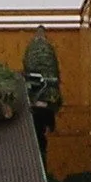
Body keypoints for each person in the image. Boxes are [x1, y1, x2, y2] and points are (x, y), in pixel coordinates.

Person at [23, 27, 63, 160]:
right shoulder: (49, 49)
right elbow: (56, 72)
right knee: (42, 133)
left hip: (35, 98)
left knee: (36, 132)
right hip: (50, 98)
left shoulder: (30, 49)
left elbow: (27, 69)